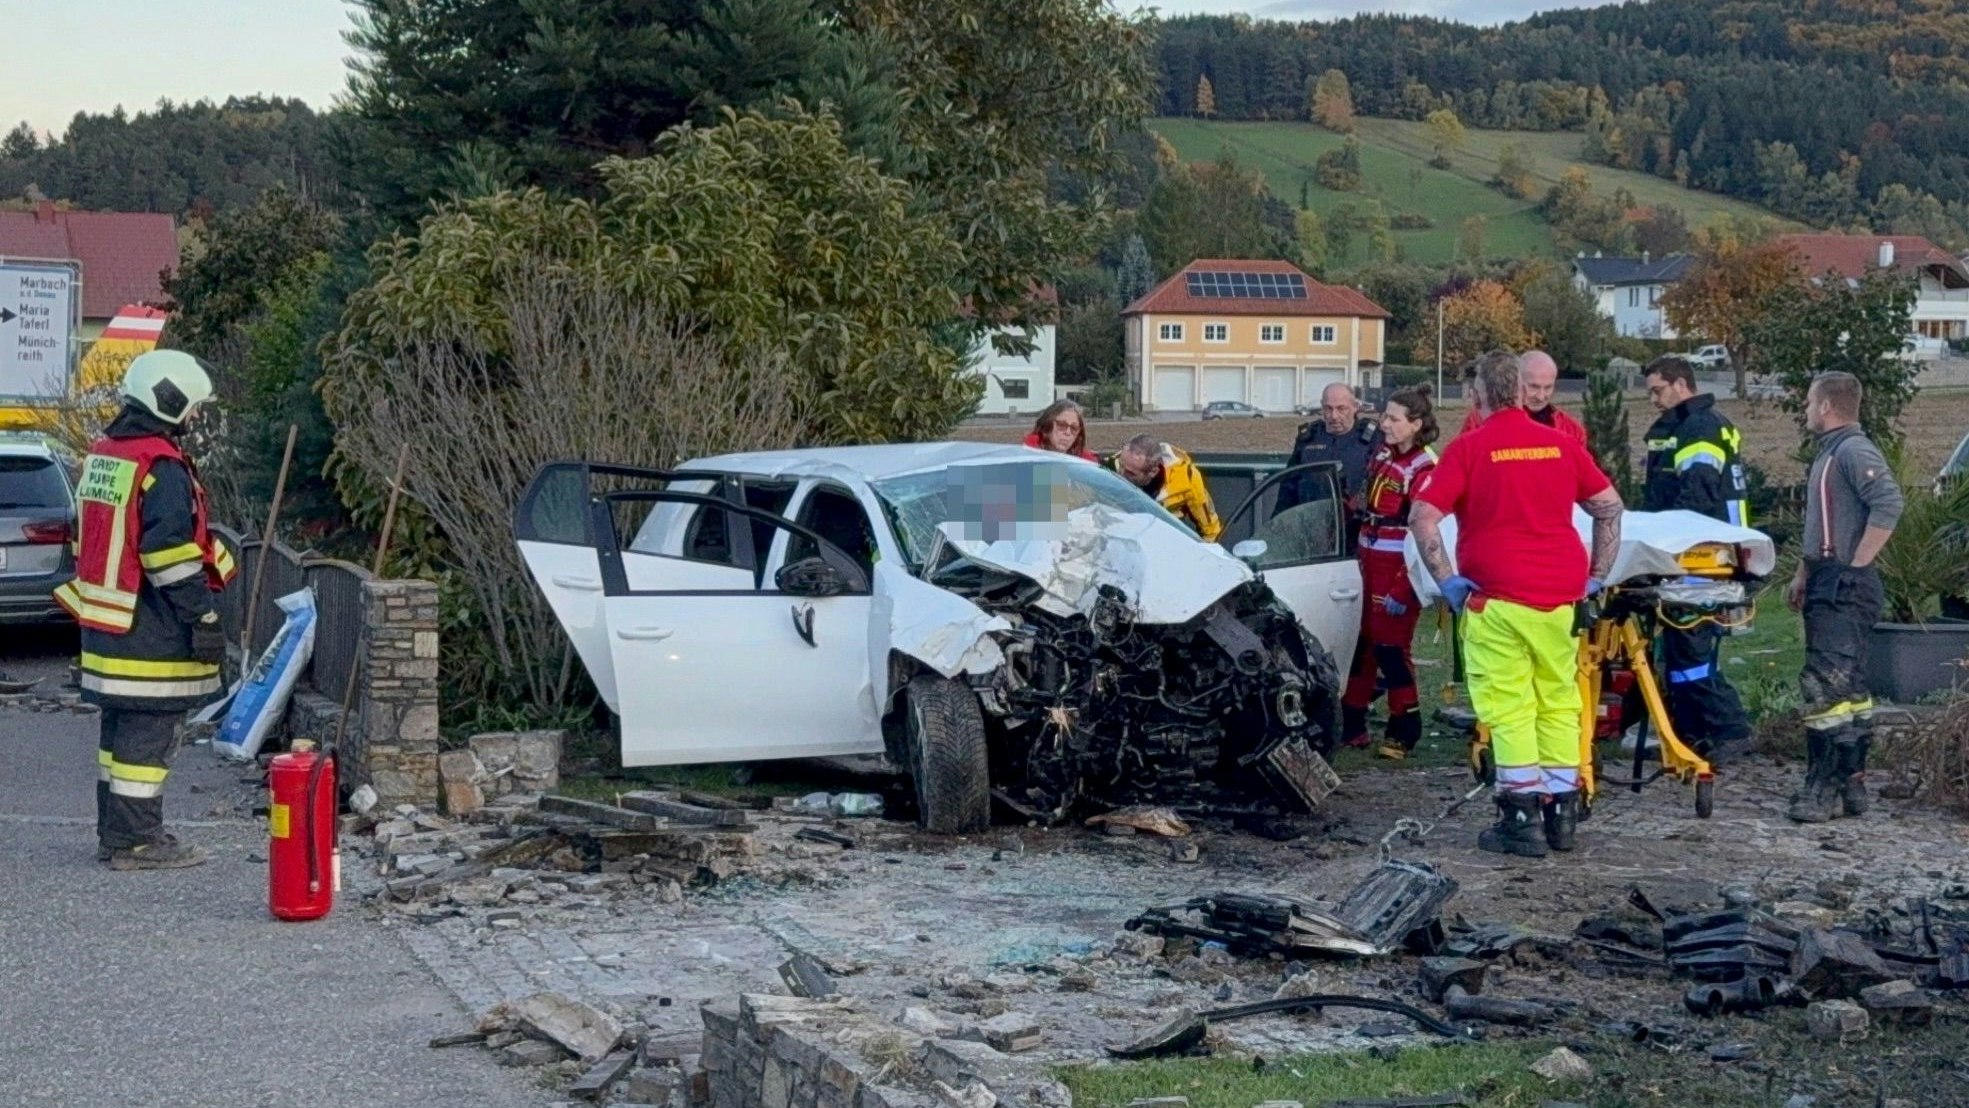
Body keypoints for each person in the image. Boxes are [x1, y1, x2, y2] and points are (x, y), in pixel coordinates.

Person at [1410, 351, 1623, 858]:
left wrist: (1448, 581)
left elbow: (1423, 518)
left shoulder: (1469, 449)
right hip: (1560, 598)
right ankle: (1562, 812)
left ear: (1477, 395)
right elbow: (1609, 507)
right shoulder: (1560, 445)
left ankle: (1520, 816)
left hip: (1497, 598)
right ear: (1523, 391)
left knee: (1510, 708)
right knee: (1559, 700)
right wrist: (1597, 576)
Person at [54, 350, 237, 870]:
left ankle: (116, 834)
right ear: (170, 399)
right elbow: (166, 554)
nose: (195, 417)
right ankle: (138, 844)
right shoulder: (162, 467)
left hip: (107, 625)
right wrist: (201, 615)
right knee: (149, 737)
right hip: (150, 629)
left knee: (120, 739)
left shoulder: (106, 455)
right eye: (193, 406)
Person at [1785, 371, 1902, 824]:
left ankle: (1823, 787)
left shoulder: (1852, 450)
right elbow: (1820, 529)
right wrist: (1803, 573)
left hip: (1845, 583)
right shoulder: (1829, 454)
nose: (1806, 410)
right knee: (1849, 689)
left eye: (1810, 402)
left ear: (1828, 406)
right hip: (1827, 576)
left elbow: (1889, 503)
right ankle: (1852, 783)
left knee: (1824, 689)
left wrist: (1856, 565)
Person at [1640, 355, 1753, 763]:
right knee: (1682, 652)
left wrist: (1663, 545)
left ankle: (1729, 729)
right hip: (1709, 555)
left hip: (1703, 557)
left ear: (1681, 384)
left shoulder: (1698, 428)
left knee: (1690, 654)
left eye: (1657, 390)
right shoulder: (1698, 424)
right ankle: (1688, 734)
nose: (1653, 399)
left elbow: (1697, 496)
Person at [1341, 385, 1440, 759]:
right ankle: (1351, 723)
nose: (1384, 424)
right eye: (1385, 416)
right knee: (1362, 643)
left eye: (1393, 419)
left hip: (1397, 566)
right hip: (1367, 556)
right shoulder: (1383, 453)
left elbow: (1425, 530)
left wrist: (1405, 586)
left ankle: (1405, 725)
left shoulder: (1425, 467)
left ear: (1415, 424)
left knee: (1390, 648)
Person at [1283, 382, 1381, 515]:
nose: (1334, 416)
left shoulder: (1372, 438)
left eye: (1341, 409)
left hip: (1355, 525)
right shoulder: (1308, 438)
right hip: (1312, 521)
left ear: (1355, 407)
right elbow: (1288, 489)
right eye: (1328, 408)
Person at [1110, 433, 1222, 541]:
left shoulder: (1187, 479)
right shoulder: (1109, 467)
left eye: (1130, 473)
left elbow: (1211, 530)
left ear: (1153, 472)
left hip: (1163, 540)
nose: (1120, 474)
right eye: (1121, 465)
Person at [1458, 350, 1586, 444]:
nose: (1541, 397)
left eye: (1548, 388)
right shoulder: (1479, 420)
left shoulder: (1570, 429)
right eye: (1534, 387)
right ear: (1517, 382)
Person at [1022, 399, 1097, 461]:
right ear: (1047, 425)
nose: (1068, 432)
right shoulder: (1028, 455)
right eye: (1061, 425)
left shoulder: (1086, 461)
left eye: (1074, 428)